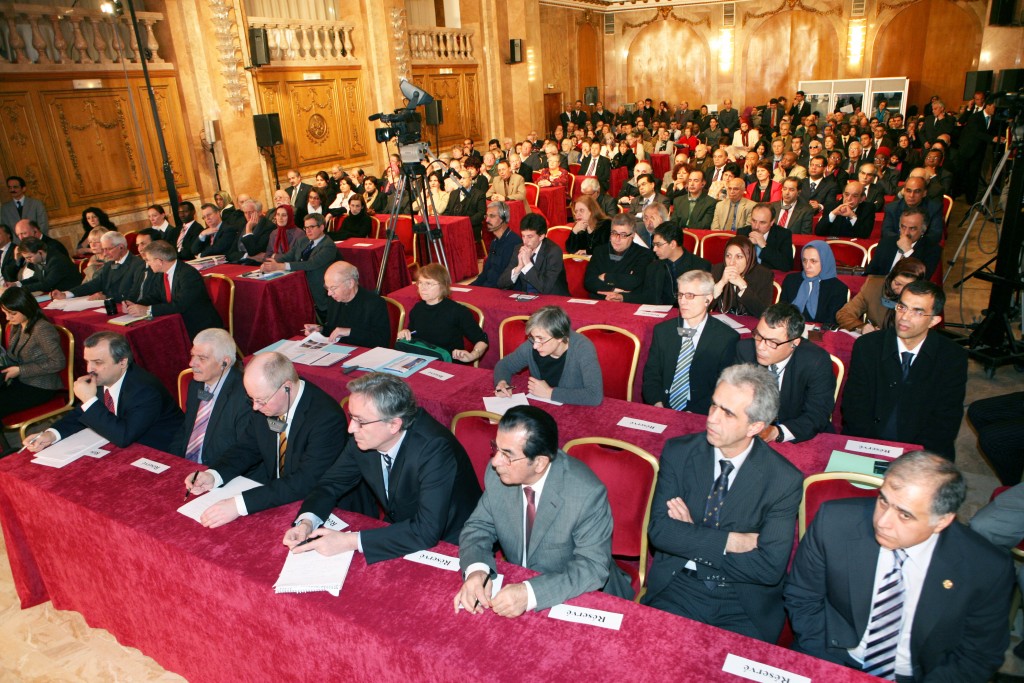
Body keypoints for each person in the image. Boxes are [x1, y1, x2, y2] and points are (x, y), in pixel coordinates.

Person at [785, 451, 1013, 682]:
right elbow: (802, 598)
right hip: (832, 656)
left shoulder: (986, 568)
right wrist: (833, 673)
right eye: (883, 500)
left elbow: (978, 656)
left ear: (942, 521)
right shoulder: (834, 521)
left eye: (904, 515)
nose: (882, 522)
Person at [643, 364, 803, 642]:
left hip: (742, 602)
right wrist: (731, 541)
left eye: (727, 413)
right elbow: (660, 532)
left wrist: (692, 536)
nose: (712, 419)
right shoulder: (679, 453)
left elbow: (769, 568)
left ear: (755, 426)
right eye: (714, 406)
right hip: (679, 587)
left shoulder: (784, 480)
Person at [284, 372, 482, 563]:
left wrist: (350, 541)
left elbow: (427, 531)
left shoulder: (434, 449)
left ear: (394, 425)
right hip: (401, 525)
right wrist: (307, 522)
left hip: (451, 542)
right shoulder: (364, 437)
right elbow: (330, 484)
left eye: (360, 421)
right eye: (351, 417)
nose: (351, 428)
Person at [454, 405, 632, 616]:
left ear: (539, 463)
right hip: (517, 587)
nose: (495, 462)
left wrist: (530, 594)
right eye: (496, 448)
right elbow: (478, 527)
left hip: (577, 595)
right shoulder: (498, 476)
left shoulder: (585, 494)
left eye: (507, 455)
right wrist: (477, 571)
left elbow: (592, 568)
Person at [184, 352, 346, 528]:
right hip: (277, 495)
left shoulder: (326, 418)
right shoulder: (265, 404)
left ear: (287, 388)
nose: (255, 407)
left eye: (261, 401)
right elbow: (246, 447)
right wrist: (214, 474)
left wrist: (239, 505)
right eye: (251, 399)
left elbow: (306, 481)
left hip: (324, 508)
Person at [842, 281, 967, 460]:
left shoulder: (952, 357)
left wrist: (909, 459)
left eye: (917, 311)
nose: (905, 317)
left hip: (923, 452)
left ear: (934, 321)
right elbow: (855, 406)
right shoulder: (867, 346)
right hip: (867, 443)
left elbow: (945, 421)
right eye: (902, 307)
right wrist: (873, 451)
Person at [23, 331, 182, 451]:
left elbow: (123, 436)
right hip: (122, 442)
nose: (89, 369)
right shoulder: (102, 378)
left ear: (122, 362)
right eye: (87, 361)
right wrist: (51, 435)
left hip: (160, 451)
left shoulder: (144, 390)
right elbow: (81, 413)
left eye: (97, 362)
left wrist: (89, 400)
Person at [734, 303, 836, 443]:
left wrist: (777, 432)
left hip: (799, 435)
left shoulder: (816, 362)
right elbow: (733, 398)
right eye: (758, 335)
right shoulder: (744, 350)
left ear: (794, 343)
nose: (761, 347)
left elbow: (817, 415)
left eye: (772, 342)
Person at [642, 270, 739, 413]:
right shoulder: (663, 331)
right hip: (662, 407)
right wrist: (657, 404)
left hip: (701, 412)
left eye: (690, 296)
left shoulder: (726, 338)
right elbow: (651, 375)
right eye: (680, 295)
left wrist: (694, 413)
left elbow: (725, 386)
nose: (682, 301)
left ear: (708, 299)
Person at [168, 327, 253, 465]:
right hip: (186, 467)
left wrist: (211, 474)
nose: (191, 364)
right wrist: (174, 462)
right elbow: (186, 429)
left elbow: (243, 451)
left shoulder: (245, 395)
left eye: (202, 358)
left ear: (224, 362)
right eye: (192, 355)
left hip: (219, 472)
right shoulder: (195, 385)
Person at [493, 305, 603, 406]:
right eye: (533, 337)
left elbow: (594, 395)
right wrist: (502, 382)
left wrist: (550, 393)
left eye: (541, 339)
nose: (535, 345)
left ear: (560, 336)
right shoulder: (531, 345)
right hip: (543, 409)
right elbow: (504, 365)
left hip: (575, 411)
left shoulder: (582, 348)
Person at [124, 240, 223, 340]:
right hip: (178, 322)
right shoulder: (162, 274)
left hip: (199, 327)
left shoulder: (188, 274)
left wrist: (148, 310)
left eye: (148, 260)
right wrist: (135, 305)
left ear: (159, 261)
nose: (147, 263)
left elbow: (180, 304)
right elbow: (155, 296)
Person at [397, 263, 488, 364]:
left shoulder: (457, 311)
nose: (422, 288)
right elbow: (413, 333)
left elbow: (482, 340)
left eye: (429, 284)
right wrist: (406, 332)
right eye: (420, 283)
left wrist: (473, 355)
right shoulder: (417, 308)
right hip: (421, 361)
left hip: (448, 364)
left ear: (442, 286)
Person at [0, 288, 65, 424]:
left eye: (12, 313)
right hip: (21, 381)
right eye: (5, 312)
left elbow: (58, 362)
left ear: (25, 307)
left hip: (40, 386)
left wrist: (20, 370)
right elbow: (13, 356)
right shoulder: (16, 325)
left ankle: (4, 446)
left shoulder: (41, 328)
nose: (7, 318)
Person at [262, 212, 337, 320]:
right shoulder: (303, 240)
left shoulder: (328, 245)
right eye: (306, 227)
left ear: (321, 227)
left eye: (311, 227)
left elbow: (311, 264)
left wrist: (280, 266)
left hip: (317, 288)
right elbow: (288, 256)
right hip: (298, 283)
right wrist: (268, 263)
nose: (308, 231)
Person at [304, 261, 390, 349]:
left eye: (333, 288)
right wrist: (321, 329)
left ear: (350, 283)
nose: (329, 293)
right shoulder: (334, 299)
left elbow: (382, 341)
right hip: (339, 350)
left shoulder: (374, 303)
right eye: (327, 288)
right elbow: (334, 329)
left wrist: (349, 332)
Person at [837, 257, 925, 333]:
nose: (900, 290)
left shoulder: (924, 299)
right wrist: (861, 327)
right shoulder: (873, 286)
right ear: (890, 278)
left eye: (907, 287)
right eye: (897, 283)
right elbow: (844, 314)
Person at [51, 231, 144, 303]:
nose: (105, 254)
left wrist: (106, 297)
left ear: (121, 247)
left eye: (108, 249)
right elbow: (94, 284)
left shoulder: (137, 265)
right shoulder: (109, 265)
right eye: (103, 249)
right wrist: (66, 294)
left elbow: (134, 293)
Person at [586, 213, 654, 300]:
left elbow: (634, 281)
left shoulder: (644, 254)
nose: (617, 239)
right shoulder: (599, 251)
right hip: (600, 300)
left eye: (623, 235)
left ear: (632, 235)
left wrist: (606, 276)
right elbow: (589, 282)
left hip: (626, 304)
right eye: (614, 233)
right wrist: (613, 290)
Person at [497, 214, 569, 296]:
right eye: (523, 236)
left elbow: (545, 288)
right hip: (529, 299)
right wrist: (519, 267)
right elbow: (501, 284)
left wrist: (527, 264)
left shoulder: (553, 251)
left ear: (541, 236)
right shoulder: (519, 249)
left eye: (530, 237)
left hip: (553, 301)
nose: (525, 241)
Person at [781, 241, 849, 327]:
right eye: (804, 260)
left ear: (825, 261)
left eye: (813, 261)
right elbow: (781, 312)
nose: (807, 266)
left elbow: (831, 323)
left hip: (818, 335)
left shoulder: (838, 289)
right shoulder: (791, 280)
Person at [866, 206, 941, 278]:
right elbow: (870, 271)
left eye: (912, 229)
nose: (906, 233)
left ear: (923, 231)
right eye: (903, 227)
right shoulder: (887, 241)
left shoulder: (932, 249)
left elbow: (922, 278)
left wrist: (908, 251)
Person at [710, 235, 773, 317]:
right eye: (728, 256)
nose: (732, 262)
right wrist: (721, 283)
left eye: (739, 257)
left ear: (749, 258)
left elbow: (764, 314)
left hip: (749, 326)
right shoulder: (717, 270)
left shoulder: (763, 275)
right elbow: (704, 307)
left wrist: (743, 286)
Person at [737, 202, 794, 272]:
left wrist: (764, 246)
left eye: (762, 222)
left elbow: (786, 266)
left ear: (772, 222)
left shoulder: (783, 235)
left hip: (770, 277)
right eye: (754, 220)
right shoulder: (742, 233)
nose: (756, 227)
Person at [15, 237, 82, 292]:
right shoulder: (39, 259)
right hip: (58, 293)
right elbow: (36, 278)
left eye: (29, 257)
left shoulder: (57, 261)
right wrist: (17, 284)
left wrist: (20, 289)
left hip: (72, 292)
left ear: (40, 252)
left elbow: (46, 284)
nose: (27, 261)